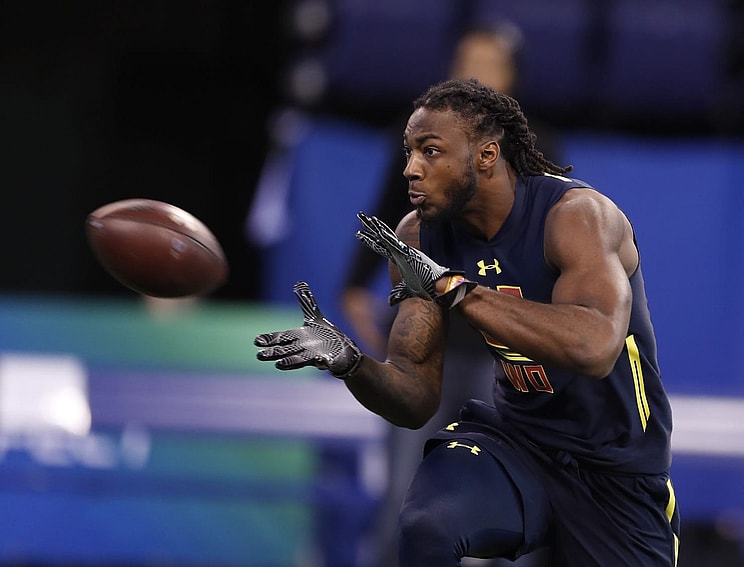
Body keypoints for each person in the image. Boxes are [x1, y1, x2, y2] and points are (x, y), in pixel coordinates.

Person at [254, 78, 680, 565]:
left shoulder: (577, 216)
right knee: (428, 525)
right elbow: (415, 397)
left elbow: (595, 348)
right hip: (518, 443)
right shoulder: (419, 234)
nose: (411, 169)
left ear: (486, 155)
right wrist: (351, 363)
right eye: (409, 152)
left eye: (430, 151)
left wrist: (453, 289)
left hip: (616, 468)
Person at [339, 22, 559, 567]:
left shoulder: (536, 150)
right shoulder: (422, 141)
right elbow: (389, 206)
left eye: (488, 62)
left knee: (507, 500)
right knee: (407, 492)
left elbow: (549, 245)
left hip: (502, 354)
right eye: (467, 59)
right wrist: (353, 287)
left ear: (511, 79)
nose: (475, 71)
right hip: (426, 343)